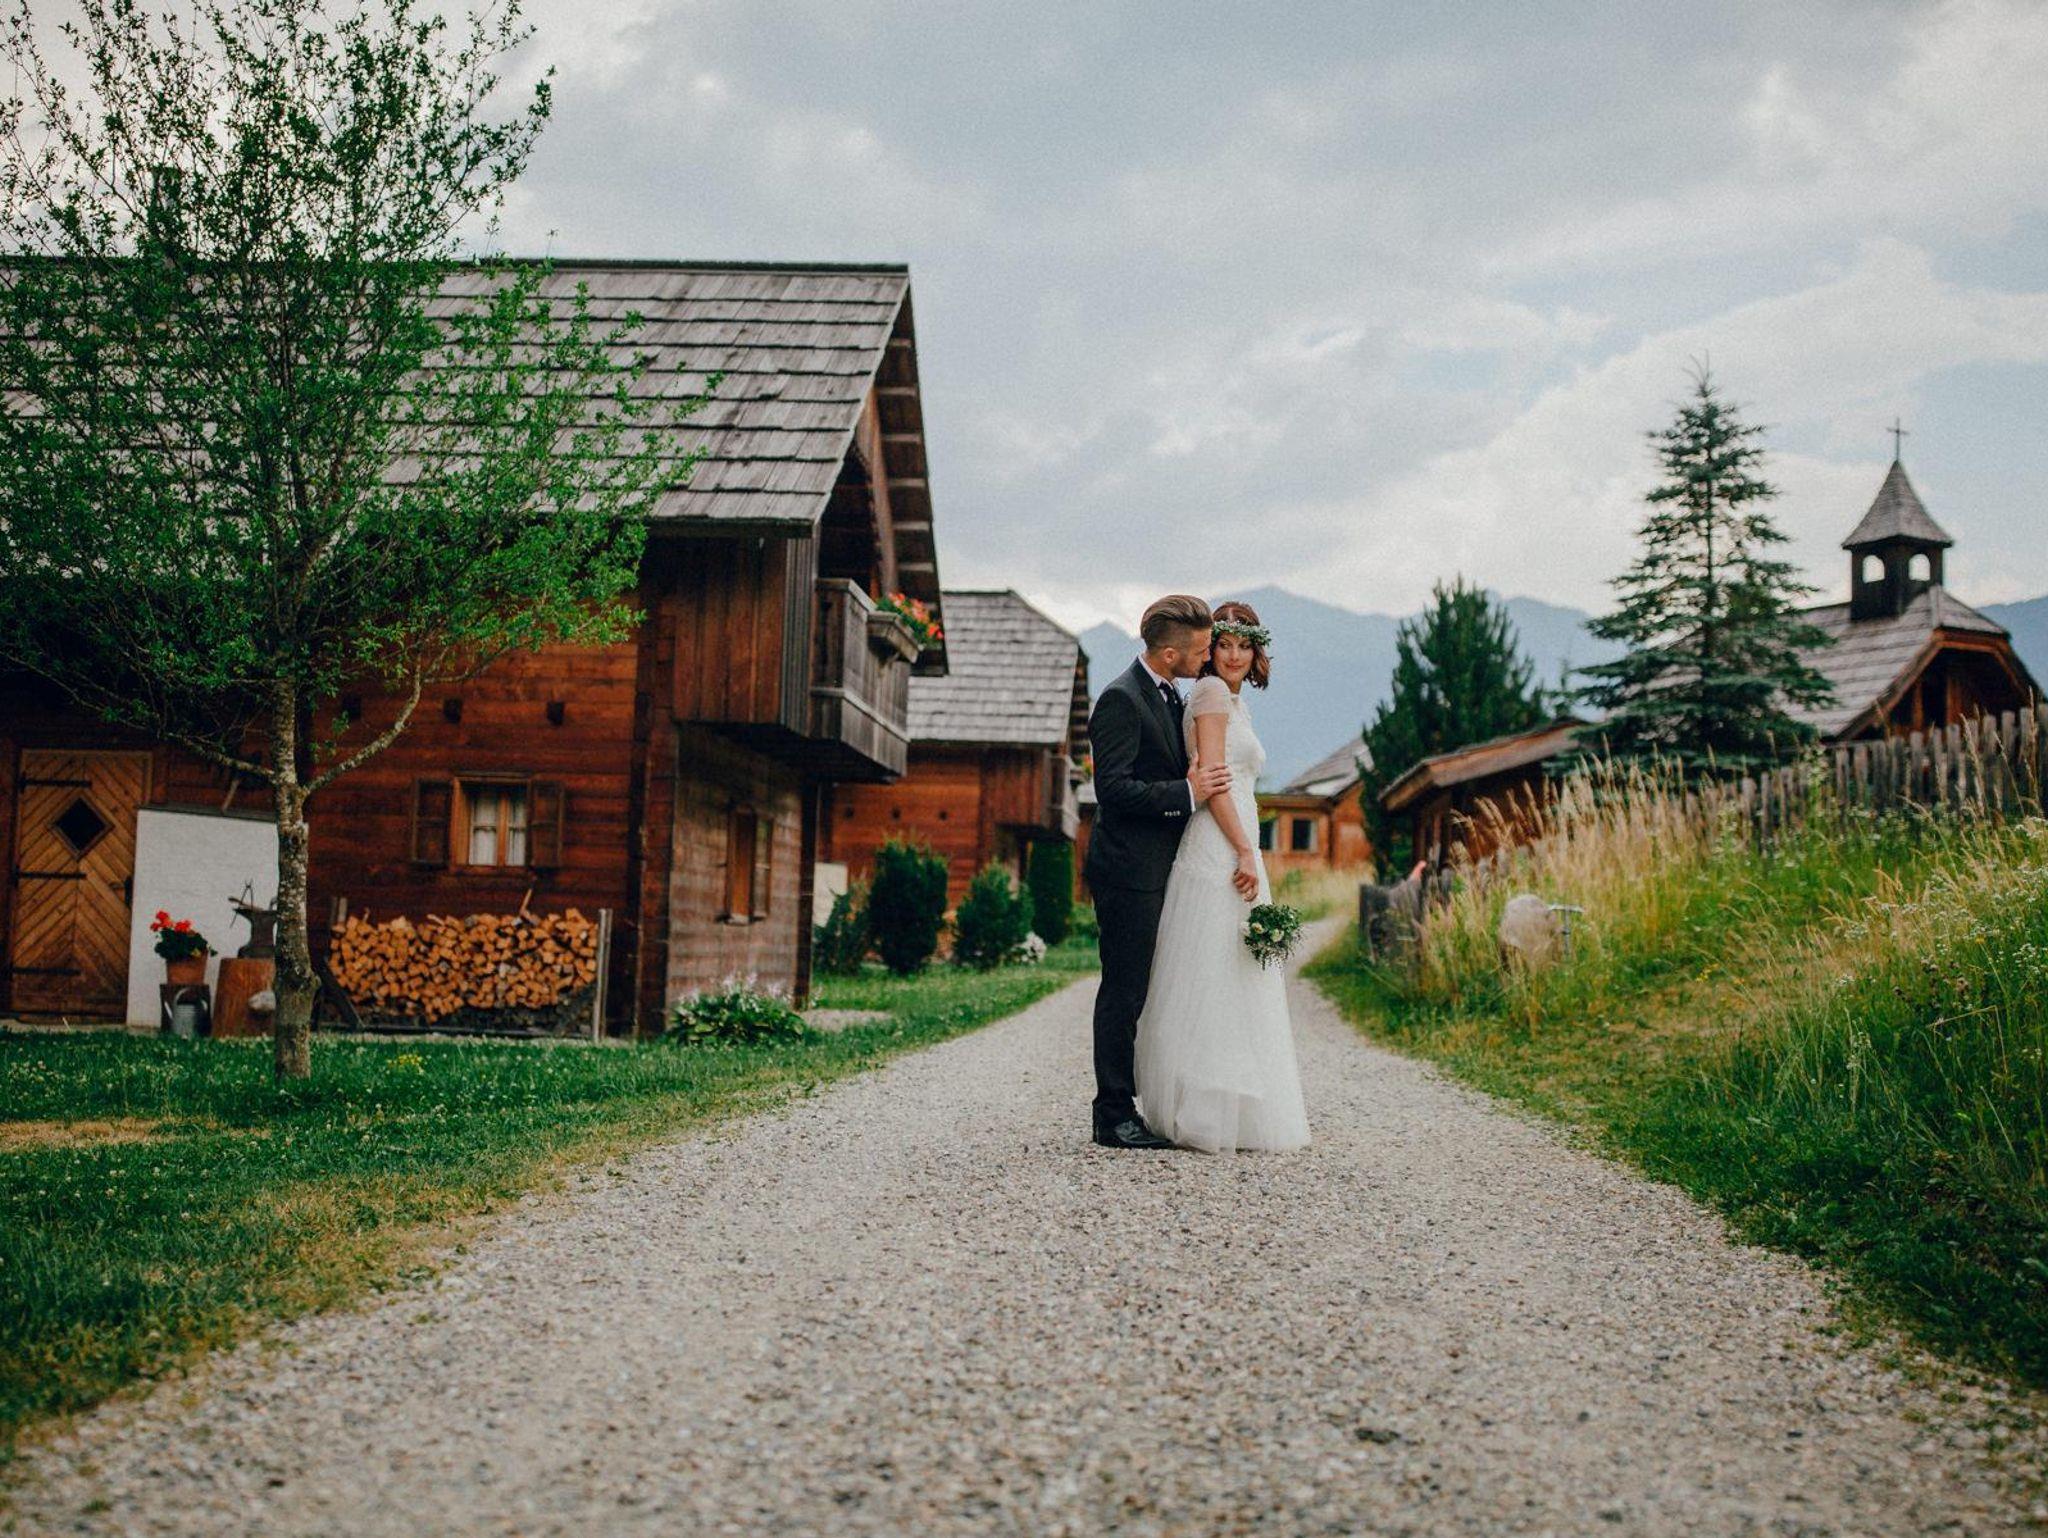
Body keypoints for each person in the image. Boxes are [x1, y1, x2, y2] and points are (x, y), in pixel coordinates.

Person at [1133, 600, 1311, 1153]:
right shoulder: (1210, 693)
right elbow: (1213, 785)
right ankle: (1203, 1108)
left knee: (1234, 971)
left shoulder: (1234, 701)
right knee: (1212, 969)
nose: (1234, 656)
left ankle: (1237, 1106)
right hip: (1219, 843)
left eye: (1244, 646)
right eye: (1225, 645)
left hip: (1237, 840)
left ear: (1257, 652)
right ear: (1210, 649)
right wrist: (1243, 851)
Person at [1082, 594, 1229, 1149]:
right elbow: (1113, 789)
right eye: (1201, 649)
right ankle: (1112, 1114)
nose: (1208, 657)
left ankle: (1143, 1102)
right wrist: (1187, 793)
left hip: (1162, 867)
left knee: (1150, 988)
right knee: (1124, 991)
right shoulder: (1120, 699)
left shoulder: (1169, 694)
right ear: (1170, 655)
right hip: (1127, 869)